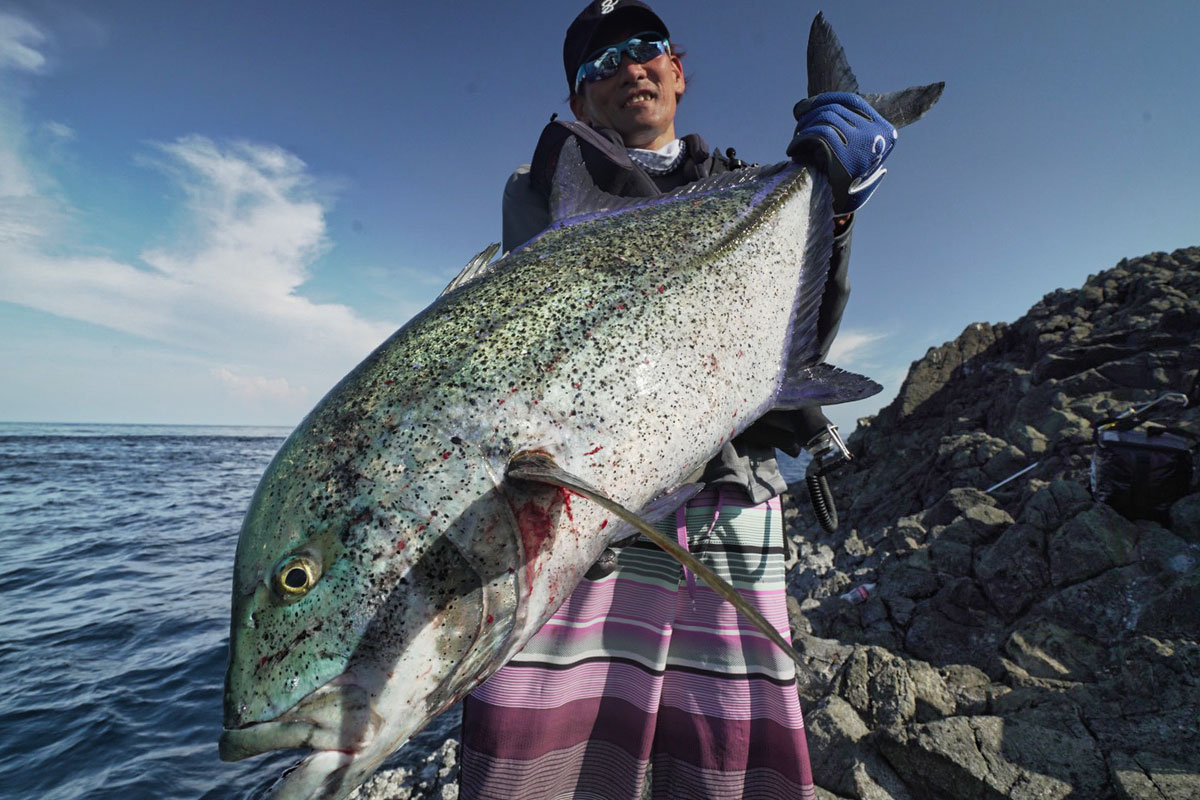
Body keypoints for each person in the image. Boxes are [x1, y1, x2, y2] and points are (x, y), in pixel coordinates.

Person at [460, 2, 898, 798]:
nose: (629, 66)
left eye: (645, 48)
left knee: (725, 762)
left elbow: (801, 343)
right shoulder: (538, 195)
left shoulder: (742, 187)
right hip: (597, 516)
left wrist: (834, 209)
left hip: (733, 501)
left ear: (679, 70)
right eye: (600, 63)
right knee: (539, 758)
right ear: (577, 100)